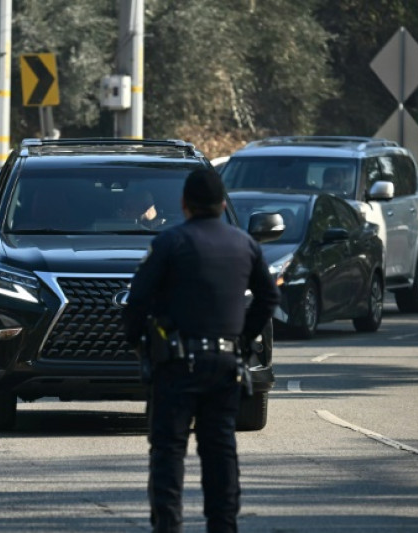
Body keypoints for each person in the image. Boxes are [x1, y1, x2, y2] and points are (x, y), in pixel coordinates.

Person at [122, 168, 279, 533]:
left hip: (176, 365)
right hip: (225, 364)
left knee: (168, 450)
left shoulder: (170, 243)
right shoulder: (245, 244)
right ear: (223, 204)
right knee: (220, 448)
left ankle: (169, 525)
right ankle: (223, 525)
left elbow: (137, 301)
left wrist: (140, 344)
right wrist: (242, 339)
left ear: (183, 204)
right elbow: (269, 296)